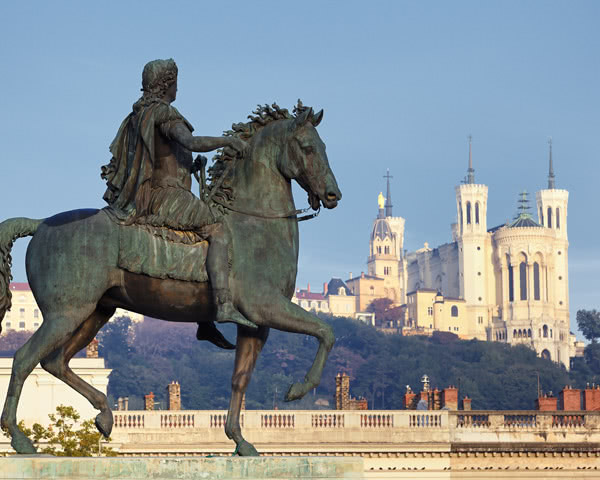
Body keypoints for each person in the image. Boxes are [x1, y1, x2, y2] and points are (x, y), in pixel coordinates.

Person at [101, 58, 256, 335]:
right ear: (166, 84)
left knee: (197, 239)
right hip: (165, 196)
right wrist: (228, 141)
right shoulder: (162, 113)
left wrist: (189, 167)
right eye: (175, 81)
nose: (177, 88)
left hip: (149, 194)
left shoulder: (138, 115)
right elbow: (191, 142)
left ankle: (203, 319)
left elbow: (162, 157)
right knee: (219, 230)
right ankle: (222, 305)